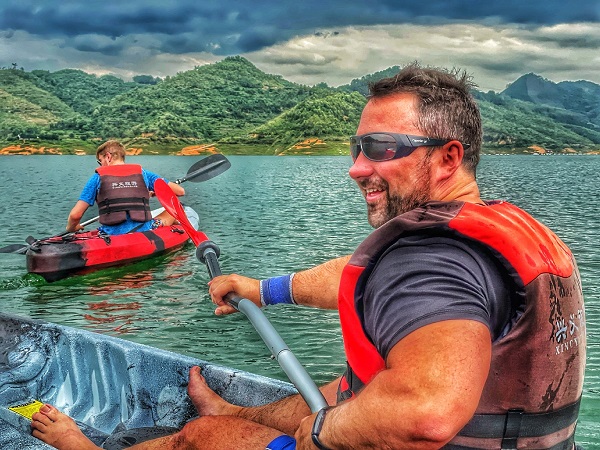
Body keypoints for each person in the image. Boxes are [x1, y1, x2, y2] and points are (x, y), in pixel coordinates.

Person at [32, 64, 585, 449]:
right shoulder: (501, 228)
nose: (356, 168)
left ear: (448, 158)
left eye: (381, 149)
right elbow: (358, 278)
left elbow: (424, 416)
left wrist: (320, 434)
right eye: (357, 148)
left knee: (202, 438)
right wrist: (260, 289)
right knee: (338, 390)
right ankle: (233, 410)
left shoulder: (433, 262)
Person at [65, 140, 185, 235]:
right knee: (176, 206)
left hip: (111, 234)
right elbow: (179, 192)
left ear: (108, 157)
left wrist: (72, 227)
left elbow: (75, 215)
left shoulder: (97, 178)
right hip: (144, 230)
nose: (101, 165)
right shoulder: (143, 173)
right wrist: (156, 192)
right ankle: (176, 226)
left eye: (100, 161)